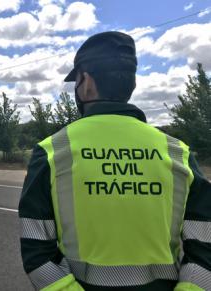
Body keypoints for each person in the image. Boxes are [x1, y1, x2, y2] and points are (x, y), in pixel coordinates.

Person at [18, 31, 211, 291]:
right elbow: (205, 249)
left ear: (85, 82)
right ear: (131, 84)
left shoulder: (53, 151)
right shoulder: (178, 153)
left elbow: (36, 252)